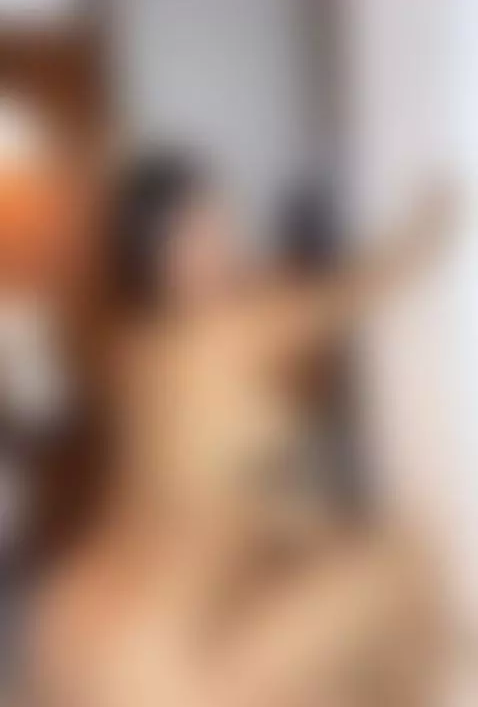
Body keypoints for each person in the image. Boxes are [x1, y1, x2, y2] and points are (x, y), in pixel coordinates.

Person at [18, 147, 452, 707]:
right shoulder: (233, 327)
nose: (221, 244)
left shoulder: (131, 345)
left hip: (140, 576)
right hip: (186, 590)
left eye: (219, 224)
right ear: (154, 255)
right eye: (197, 234)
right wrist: (431, 223)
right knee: (402, 573)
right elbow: (359, 287)